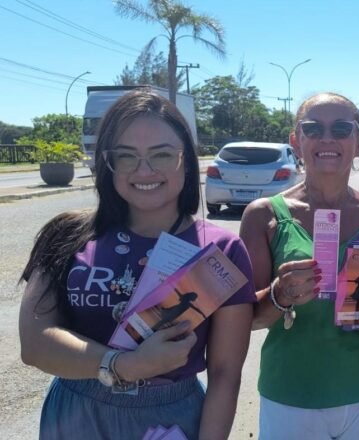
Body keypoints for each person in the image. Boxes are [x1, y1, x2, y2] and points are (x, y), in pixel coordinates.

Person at [18, 90, 256, 439]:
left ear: (186, 161)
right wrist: (125, 365)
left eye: (162, 155)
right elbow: (35, 343)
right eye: (126, 157)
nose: (144, 170)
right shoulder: (65, 236)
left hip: (168, 420)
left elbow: (224, 373)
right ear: (107, 163)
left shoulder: (221, 250)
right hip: (76, 415)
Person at [239, 92, 359, 440]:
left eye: (341, 128)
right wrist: (279, 294)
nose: (327, 138)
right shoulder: (263, 216)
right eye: (313, 129)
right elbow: (245, 317)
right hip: (292, 391)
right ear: (296, 141)